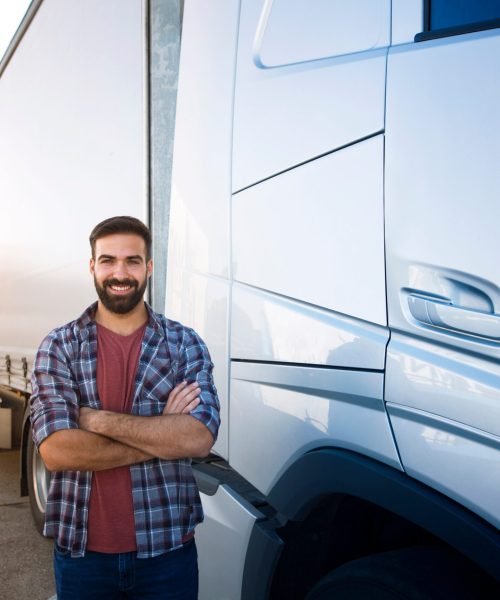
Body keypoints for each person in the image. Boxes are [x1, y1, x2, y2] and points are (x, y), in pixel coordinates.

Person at [30, 215, 220, 600]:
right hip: (83, 556)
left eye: (132, 261)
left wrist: (95, 420)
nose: (121, 272)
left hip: (167, 551)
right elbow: (56, 451)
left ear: (148, 268)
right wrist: (163, 432)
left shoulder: (183, 344)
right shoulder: (60, 346)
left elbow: (198, 438)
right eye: (108, 261)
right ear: (92, 267)